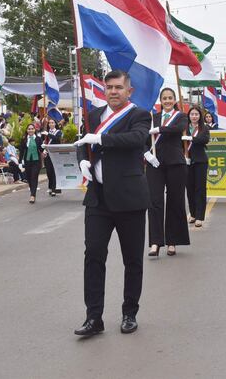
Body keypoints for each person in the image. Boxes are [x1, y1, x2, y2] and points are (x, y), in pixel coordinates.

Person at [73, 70, 151, 336]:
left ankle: (129, 313)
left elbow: (136, 139)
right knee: (93, 256)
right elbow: (82, 143)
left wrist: (101, 138)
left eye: (118, 87)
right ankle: (94, 317)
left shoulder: (139, 115)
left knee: (132, 260)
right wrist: (82, 159)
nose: (113, 92)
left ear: (129, 91)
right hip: (98, 198)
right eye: (109, 87)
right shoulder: (93, 116)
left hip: (130, 198)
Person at [145, 88, 190, 257]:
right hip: (155, 164)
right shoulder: (152, 117)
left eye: (170, 98)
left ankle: (172, 241)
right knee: (154, 202)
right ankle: (155, 242)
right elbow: (143, 137)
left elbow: (179, 129)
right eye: (164, 98)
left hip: (175, 164)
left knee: (175, 202)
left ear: (175, 99)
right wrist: (146, 154)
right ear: (160, 100)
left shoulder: (181, 116)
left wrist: (159, 129)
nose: (167, 101)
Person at [185, 106, 210, 228]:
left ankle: (200, 216)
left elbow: (204, 140)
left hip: (200, 161)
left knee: (200, 189)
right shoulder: (184, 128)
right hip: (187, 161)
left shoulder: (204, 128)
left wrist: (192, 138)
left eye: (196, 114)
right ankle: (193, 214)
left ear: (200, 116)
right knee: (190, 188)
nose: (194, 116)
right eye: (192, 114)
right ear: (189, 116)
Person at [18, 124, 44, 204]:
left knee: (34, 177)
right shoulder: (24, 139)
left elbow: (41, 149)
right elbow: (21, 151)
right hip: (27, 161)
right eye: (29, 129)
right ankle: (32, 191)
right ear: (27, 130)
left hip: (36, 161)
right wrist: (20, 162)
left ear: (34, 130)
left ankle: (33, 195)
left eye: (32, 129)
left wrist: (44, 150)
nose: (30, 130)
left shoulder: (38, 139)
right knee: (29, 178)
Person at [41, 118, 62, 196]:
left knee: (54, 172)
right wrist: (43, 148)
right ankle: (50, 187)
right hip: (47, 154)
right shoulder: (46, 132)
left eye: (52, 122)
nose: (51, 124)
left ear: (55, 124)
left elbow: (57, 139)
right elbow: (42, 142)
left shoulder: (58, 132)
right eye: (49, 123)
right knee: (49, 171)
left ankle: (54, 189)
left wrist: (48, 134)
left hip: (55, 154)